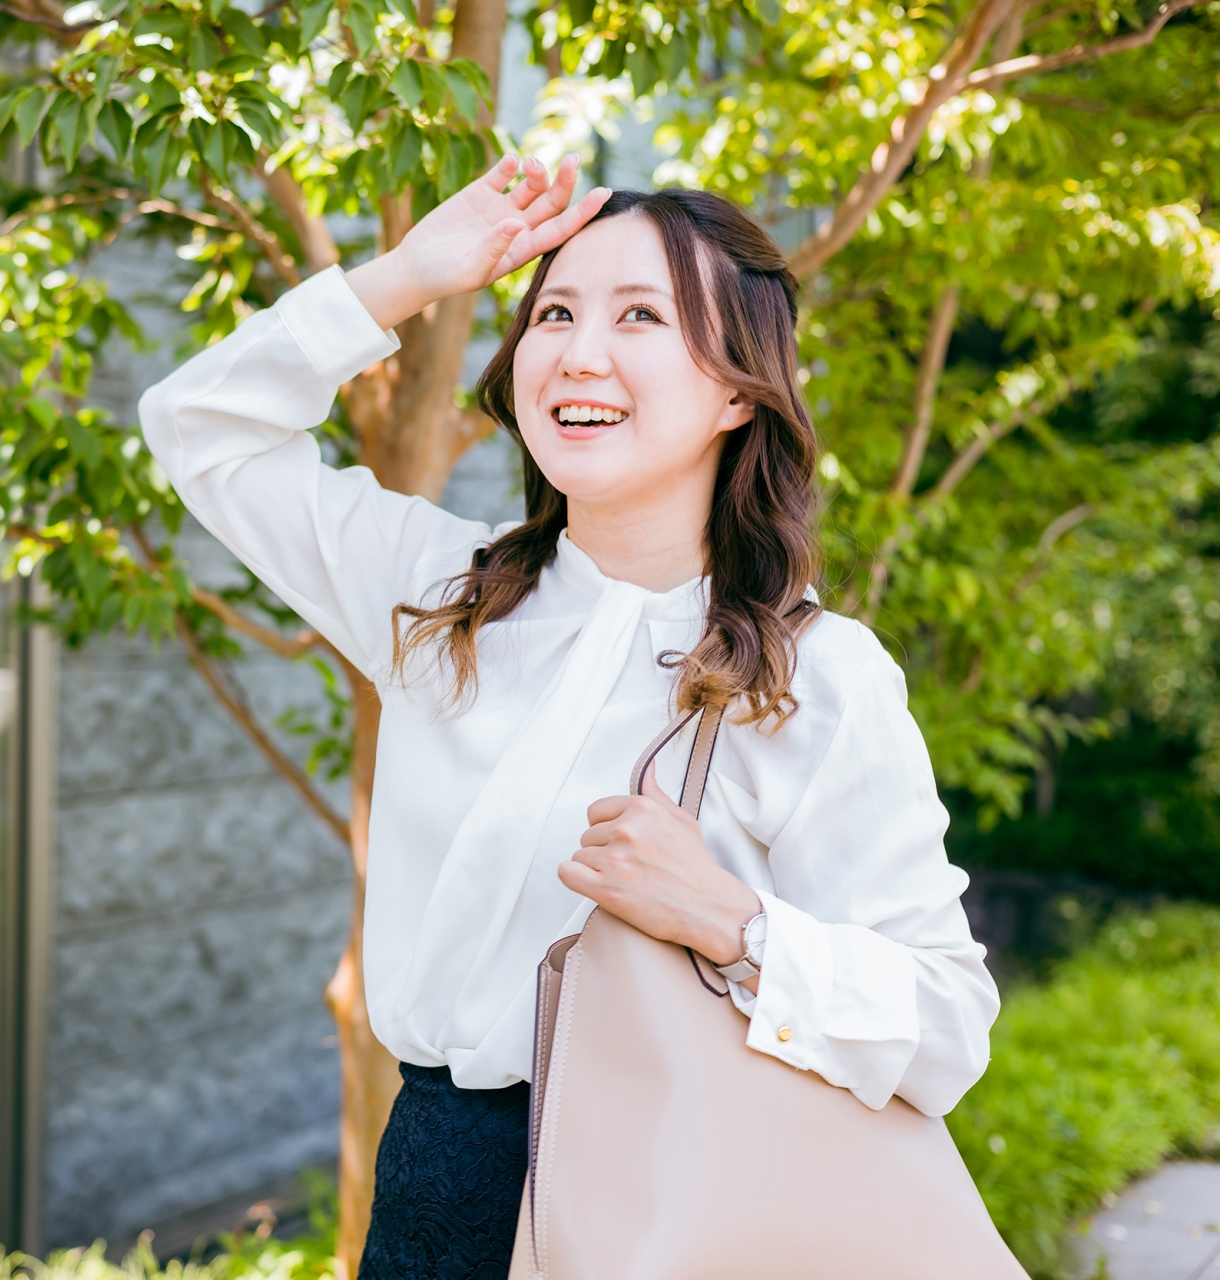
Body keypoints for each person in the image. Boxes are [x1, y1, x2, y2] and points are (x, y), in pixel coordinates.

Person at [137, 154, 1000, 1279]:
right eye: (554, 312)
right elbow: (201, 429)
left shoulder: (815, 674)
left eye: (641, 314)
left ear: (739, 388)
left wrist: (733, 921)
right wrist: (410, 274)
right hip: (437, 1187)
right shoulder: (437, 593)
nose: (580, 351)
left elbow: (945, 1025)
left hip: (671, 1195)